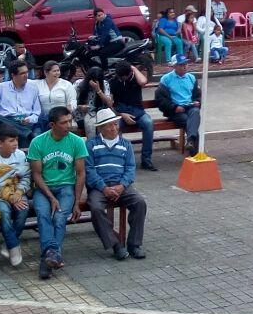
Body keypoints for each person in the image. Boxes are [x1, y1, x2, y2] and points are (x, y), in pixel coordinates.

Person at [28, 106, 87, 279]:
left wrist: (77, 202)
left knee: (60, 217)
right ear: (52, 125)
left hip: (66, 187)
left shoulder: (77, 141)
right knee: (43, 214)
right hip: (43, 187)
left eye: (70, 121)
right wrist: (51, 197)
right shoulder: (38, 142)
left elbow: (80, 173)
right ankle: (53, 255)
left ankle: (47, 258)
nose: (69, 125)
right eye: (64, 123)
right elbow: (36, 174)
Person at [86, 109, 148, 260]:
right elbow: (89, 170)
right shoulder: (91, 145)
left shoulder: (126, 144)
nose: (114, 128)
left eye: (115, 124)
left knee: (140, 203)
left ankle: (134, 244)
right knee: (95, 207)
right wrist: (103, 188)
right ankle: (115, 245)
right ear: (100, 128)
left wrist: (122, 186)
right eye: (109, 125)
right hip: (100, 188)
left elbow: (130, 169)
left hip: (121, 185)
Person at [0, 122, 31, 267]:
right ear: (0, 143)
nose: (15, 143)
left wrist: (18, 192)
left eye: (16, 139)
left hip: (18, 192)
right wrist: (10, 197)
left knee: (23, 209)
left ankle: (8, 244)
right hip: (0, 196)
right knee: (4, 213)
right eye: (11, 140)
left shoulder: (20, 155)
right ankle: (14, 247)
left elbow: (26, 176)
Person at [109, 60, 157, 170]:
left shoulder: (135, 79)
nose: (120, 79)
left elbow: (143, 82)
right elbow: (109, 104)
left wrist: (134, 68)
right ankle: (119, 159)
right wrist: (122, 114)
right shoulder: (113, 81)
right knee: (115, 127)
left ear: (130, 73)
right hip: (120, 113)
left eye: (123, 77)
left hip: (138, 112)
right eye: (119, 76)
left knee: (148, 123)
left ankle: (146, 160)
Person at [0, 61, 44, 146]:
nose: (26, 75)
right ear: (13, 75)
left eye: (27, 72)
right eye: (22, 73)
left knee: (20, 135)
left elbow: (36, 112)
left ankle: (23, 134)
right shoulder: (0, 88)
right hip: (6, 121)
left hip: (25, 122)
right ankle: (25, 133)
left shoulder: (33, 88)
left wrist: (30, 119)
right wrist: (2, 118)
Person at [155, 54, 201, 156]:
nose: (184, 67)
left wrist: (197, 101)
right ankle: (194, 152)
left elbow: (197, 95)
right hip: (175, 111)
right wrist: (174, 107)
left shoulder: (191, 78)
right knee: (191, 124)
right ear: (174, 66)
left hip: (190, 106)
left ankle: (190, 141)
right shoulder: (166, 79)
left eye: (186, 64)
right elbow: (160, 99)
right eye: (181, 65)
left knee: (195, 112)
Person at [75, 66, 115, 138]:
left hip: (100, 111)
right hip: (83, 113)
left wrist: (98, 90)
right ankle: (92, 142)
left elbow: (109, 104)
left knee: (110, 121)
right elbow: (73, 102)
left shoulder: (104, 84)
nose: (94, 82)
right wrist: (80, 107)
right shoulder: (79, 84)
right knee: (91, 123)